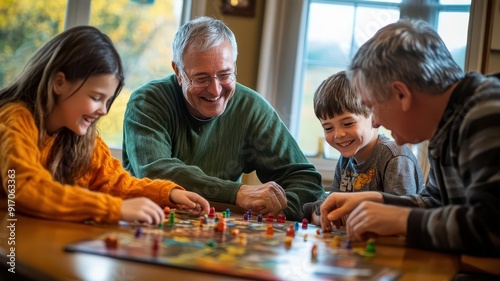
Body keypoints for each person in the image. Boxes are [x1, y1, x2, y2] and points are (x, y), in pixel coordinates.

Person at [320, 19, 500, 257]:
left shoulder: (485, 114)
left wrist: (403, 219)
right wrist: (376, 200)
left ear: (401, 94)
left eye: (373, 106)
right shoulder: (448, 124)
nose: (374, 122)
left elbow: (492, 227)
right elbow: (436, 204)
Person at [0, 25, 210, 225]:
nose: (104, 110)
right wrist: (115, 209)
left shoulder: (82, 139)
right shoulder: (15, 119)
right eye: (96, 97)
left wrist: (169, 194)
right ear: (59, 83)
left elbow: (118, 184)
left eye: (107, 101)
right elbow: (26, 188)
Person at [122, 16, 324, 221]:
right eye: (201, 78)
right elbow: (155, 172)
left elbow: (306, 182)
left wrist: (272, 207)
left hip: (220, 235)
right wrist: (236, 193)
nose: (215, 89)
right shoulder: (147, 102)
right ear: (178, 72)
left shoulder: (251, 109)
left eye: (225, 75)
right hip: (148, 226)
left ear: (235, 68)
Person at [302, 71, 423, 225]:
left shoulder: (395, 157)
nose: (338, 134)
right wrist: (321, 214)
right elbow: (331, 202)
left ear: (374, 116)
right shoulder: (345, 160)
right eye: (328, 128)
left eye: (348, 124)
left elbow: (402, 214)